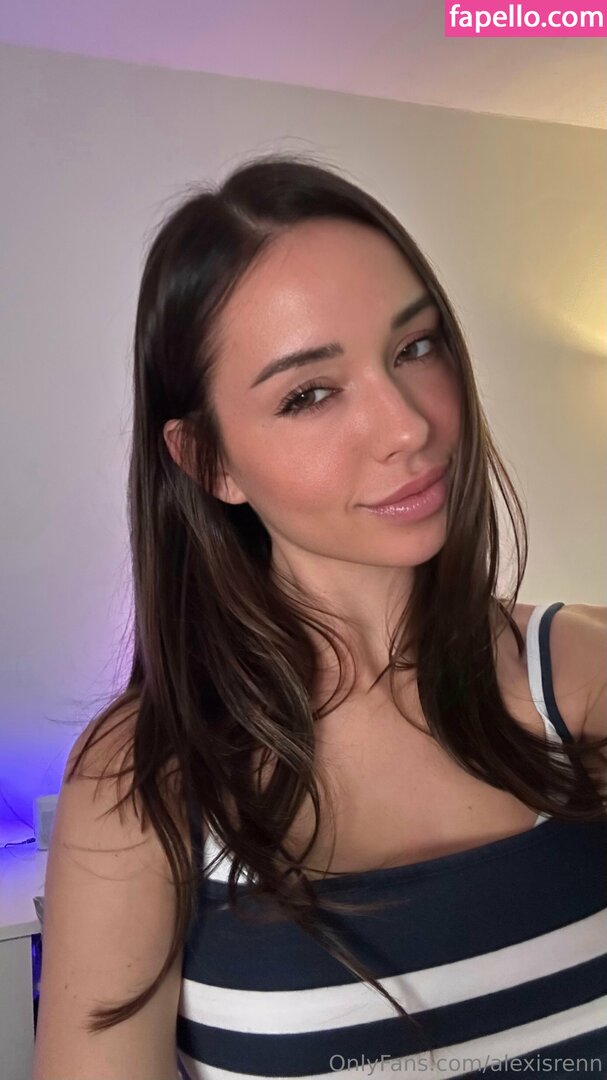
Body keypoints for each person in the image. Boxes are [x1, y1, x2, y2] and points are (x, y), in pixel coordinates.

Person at [33, 153, 607, 1080]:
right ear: (209, 462)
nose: (409, 427)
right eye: (309, 394)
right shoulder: (144, 782)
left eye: (414, 347)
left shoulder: (580, 679)